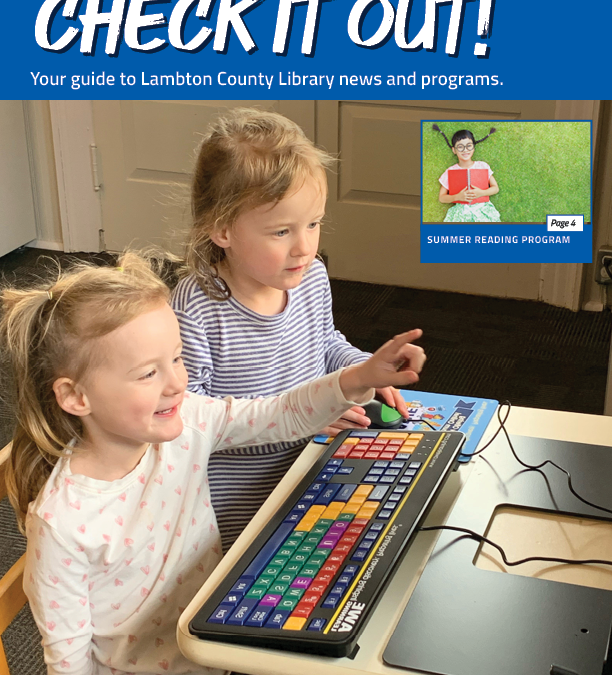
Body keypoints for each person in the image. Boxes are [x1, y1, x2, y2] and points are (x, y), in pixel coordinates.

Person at [1, 253, 426, 675]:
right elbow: (67, 658)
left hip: (216, 646)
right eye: (148, 373)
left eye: (178, 358)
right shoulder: (62, 523)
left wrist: (359, 377)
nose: (176, 383)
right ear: (76, 397)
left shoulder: (187, 422)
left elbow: (276, 415)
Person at [172, 109, 408, 551]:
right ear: (221, 228)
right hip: (239, 508)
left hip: (312, 469)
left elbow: (325, 343)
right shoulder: (198, 307)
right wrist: (307, 417)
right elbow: (188, 422)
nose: (305, 247)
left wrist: (365, 368)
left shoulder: (311, 277)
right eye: (282, 231)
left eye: (314, 224)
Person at [434, 124, 501, 222]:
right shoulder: (450, 171)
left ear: (473, 147)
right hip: (462, 212)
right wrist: (458, 197)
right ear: (454, 150)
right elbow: (442, 198)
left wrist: (482, 193)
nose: (465, 150)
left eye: (469, 146)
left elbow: (495, 188)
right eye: (460, 147)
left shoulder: (483, 166)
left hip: (482, 209)